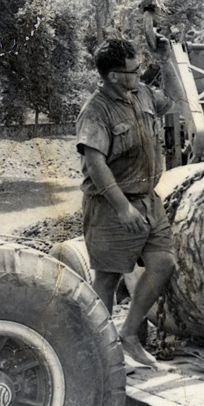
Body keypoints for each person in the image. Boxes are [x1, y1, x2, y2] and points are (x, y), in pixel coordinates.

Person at [76, 39, 176, 367]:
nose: (139, 75)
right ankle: (101, 353)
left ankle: (129, 334)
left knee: (163, 263)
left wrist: (169, 60)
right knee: (108, 277)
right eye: (134, 71)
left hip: (148, 199)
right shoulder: (96, 110)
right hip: (110, 206)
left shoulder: (143, 94)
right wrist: (122, 207)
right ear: (115, 76)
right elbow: (95, 163)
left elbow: (173, 100)